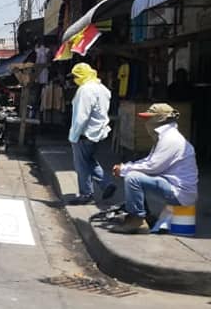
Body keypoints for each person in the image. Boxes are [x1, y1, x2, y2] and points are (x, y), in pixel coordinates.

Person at [109, 104, 199, 234]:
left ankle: (136, 220)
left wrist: (124, 170)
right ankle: (144, 215)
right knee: (135, 174)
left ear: (159, 119)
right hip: (174, 186)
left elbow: (152, 166)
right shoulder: (165, 137)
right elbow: (149, 161)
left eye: (148, 119)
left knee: (133, 178)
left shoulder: (170, 139)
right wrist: (126, 167)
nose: (146, 123)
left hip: (179, 193)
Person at [67, 62, 115, 205]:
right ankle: (106, 184)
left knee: (81, 165)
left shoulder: (85, 90)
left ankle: (86, 194)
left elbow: (81, 116)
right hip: (98, 132)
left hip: (85, 133)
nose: (74, 80)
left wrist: (73, 136)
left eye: (76, 76)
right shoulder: (103, 89)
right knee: (89, 161)